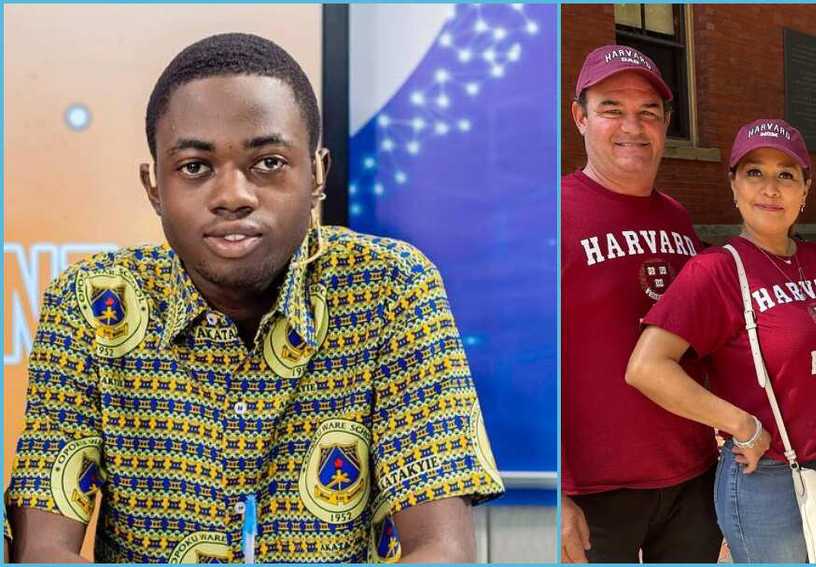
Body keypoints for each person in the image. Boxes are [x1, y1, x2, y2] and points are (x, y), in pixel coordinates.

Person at [3, 33, 504, 563]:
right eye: (195, 167)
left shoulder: (391, 288)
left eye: (267, 163)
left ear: (317, 174)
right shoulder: (93, 304)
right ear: (154, 187)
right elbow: (43, 551)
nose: (233, 196)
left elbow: (442, 549)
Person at [626, 118, 816, 563]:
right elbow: (647, 367)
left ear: (805, 190)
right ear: (733, 186)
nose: (770, 188)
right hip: (769, 481)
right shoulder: (718, 270)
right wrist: (742, 425)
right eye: (754, 172)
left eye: (786, 174)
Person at [561, 44, 721, 563]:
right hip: (594, 489)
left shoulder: (677, 218)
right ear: (580, 116)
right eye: (612, 108)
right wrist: (552, 487)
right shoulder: (549, 215)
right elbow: (517, 361)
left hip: (690, 478)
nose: (633, 125)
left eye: (648, 112)